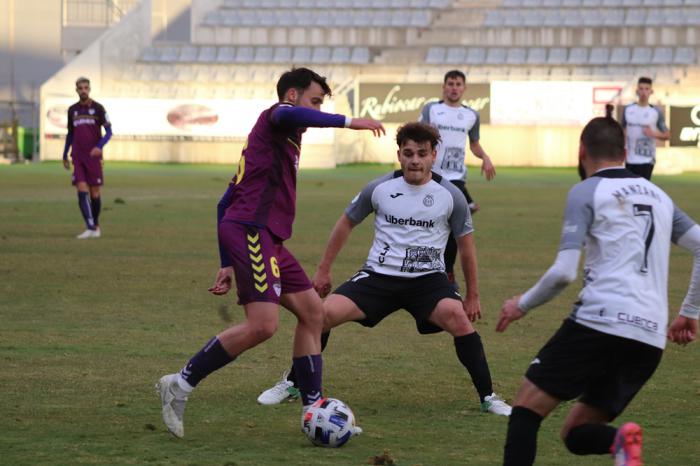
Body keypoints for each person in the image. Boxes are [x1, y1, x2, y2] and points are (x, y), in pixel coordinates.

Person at [155, 68, 385, 439]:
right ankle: (179, 385)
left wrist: (226, 262)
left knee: (314, 313)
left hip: (265, 238)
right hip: (251, 231)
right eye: (314, 101)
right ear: (292, 96)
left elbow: (223, 202)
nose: (315, 111)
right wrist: (349, 121)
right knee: (263, 325)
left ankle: (313, 409)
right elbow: (287, 113)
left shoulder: (270, 144)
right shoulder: (276, 117)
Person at [257, 122, 511, 416]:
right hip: (378, 278)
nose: (415, 160)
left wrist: (473, 295)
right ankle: (293, 383)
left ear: (433, 155)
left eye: (422, 153)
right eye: (408, 153)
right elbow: (345, 224)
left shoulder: (451, 195)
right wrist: (324, 270)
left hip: (428, 282)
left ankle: (488, 397)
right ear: (399, 155)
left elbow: (467, 247)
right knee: (321, 315)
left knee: (459, 320)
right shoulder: (379, 188)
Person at [496, 108, 700, 466]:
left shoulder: (587, 190)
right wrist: (689, 312)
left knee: (525, 409)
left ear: (581, 152)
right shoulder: (660, 197)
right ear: (625, 152)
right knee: (575, 433)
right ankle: (622, 441)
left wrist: (520, 305)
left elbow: (563, 272)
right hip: (649, 336)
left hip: (600, 320)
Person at [418, 70, 496, 285]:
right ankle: (437, 268)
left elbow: (474, 144)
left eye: (458, 84)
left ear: (464, 88)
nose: (454, 87)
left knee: (457, 220)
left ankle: (446, 270)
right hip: (432, 175)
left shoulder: (471, 115)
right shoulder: (432, 109)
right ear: (444, 87)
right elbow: (420, 136)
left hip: (456, 178)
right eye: (450, 83)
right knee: (445, 221)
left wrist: (485, 157)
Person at [62, 77, 112, 239]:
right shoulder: (72, 111)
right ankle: (89, 226)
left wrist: (99, 146)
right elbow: (70, 133)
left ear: (89, 89)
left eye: (86, 88)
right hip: (77, 156)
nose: (83, 90)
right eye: (80, 88)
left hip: (93, 157)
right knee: (81, 190)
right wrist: (64, 154)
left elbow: (109, 132)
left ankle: (96, 225)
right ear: (76, 90)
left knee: (94, 192)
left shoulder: (98, 109)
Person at [621, 77, 670, 180]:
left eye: (647, 89)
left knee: (643, 190)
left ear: (651, 91)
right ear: (637, 91)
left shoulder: (655, 112)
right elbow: (621, 130)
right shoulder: (628, 109)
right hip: (630, 158)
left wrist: (653, 134)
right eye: (641, 88)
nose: (644, 92)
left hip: (647, 159)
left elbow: (667, 135)